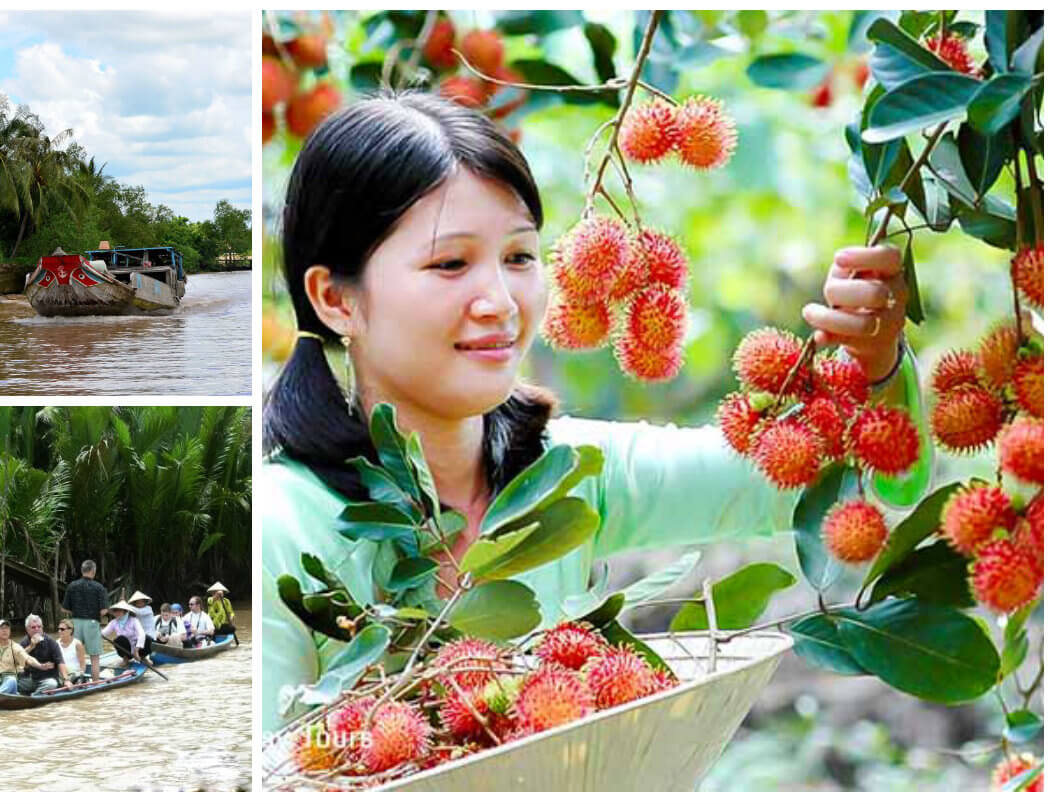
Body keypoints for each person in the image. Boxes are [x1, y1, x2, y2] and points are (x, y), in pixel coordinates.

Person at [260, 92, 926, 732]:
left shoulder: (566, 474)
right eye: (450, 262)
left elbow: (832, 481)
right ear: (335, 299)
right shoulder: (281, 528)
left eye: (519, 256)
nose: (499, 299)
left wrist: (875, 364)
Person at [61, 559, 110, 682]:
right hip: (92, 623)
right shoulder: (99, 587)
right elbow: (104, 611)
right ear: (93, 571)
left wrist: (76, 612)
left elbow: (64, 608)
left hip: (75, 623)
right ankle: (95, 684)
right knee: (94, 658)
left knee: (76, 654)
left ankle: (74, 680)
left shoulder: (72, 586)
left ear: (82, 571)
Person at [18, 613, 73, 695]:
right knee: (12, 682)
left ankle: (33, 697)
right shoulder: (24, 642)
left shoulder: (51, 642)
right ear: (27, 629)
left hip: (47, 679)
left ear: (42, 628)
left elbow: (60, 662)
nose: (37, 629)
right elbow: (16, 659)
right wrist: (31, 646)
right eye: (33, 627)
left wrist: (66, 680)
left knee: (52, 684)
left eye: (39, 627)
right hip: (29, 679)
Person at [55, 618, 89, 685]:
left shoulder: (77, 644)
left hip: (74, 674)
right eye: (58, 629)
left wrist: (81, 676)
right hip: (61, 674)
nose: (59, 631)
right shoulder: (56, 643)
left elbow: (82, 664)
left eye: (62, 629)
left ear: (70, 630)